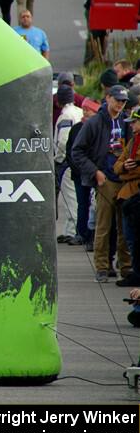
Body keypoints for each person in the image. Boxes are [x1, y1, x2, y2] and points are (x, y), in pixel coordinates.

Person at [71, 85, 131, 282]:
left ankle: (126, 267)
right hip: (105, 178)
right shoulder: (95, 122)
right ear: (107, 98)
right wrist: (94, 172)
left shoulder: (127, 121)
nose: (120, 104)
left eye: (123, 101)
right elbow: (77, 151)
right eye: (117, 100)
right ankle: (102, 267)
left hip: (125, 179)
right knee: (103, 225)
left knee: (125, 227)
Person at [66, 98, 101, 249]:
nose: (86, 112)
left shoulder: (99, 128)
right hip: (79, 173)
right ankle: (81, 233)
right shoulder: (76, 128)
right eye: (84, 109)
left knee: (95, 205)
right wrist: (79, 170)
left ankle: (93, 235)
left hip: (95, 173)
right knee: (82, 204)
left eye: (89, 109)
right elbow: (71, 151)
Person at [55, 86, 84, 244]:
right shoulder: (79, 111)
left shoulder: (65, 115)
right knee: (76, 197)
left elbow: (63, 141)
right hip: (79, 159)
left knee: (70, 197)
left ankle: (72, 231)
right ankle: (69, 230)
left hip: (67, 162)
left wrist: (59, 159)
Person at [114, 110, 140, 287]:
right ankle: (135, 271)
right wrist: (124, 166)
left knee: (136, 238)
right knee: (128, 237)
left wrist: (127, 172)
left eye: (134, 122)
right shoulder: (132, 142)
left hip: (136, 194)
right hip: (128, 196)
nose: (131, 125)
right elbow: (116, 167)